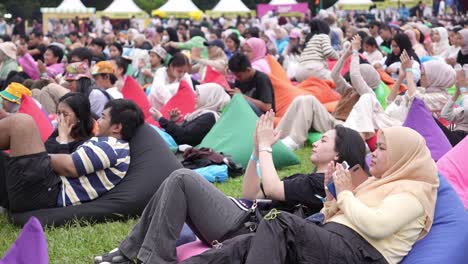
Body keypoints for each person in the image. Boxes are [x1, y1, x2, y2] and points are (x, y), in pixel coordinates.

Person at [94, 112, 369, 264]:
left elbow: (272, 190)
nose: (317, 143)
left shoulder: (321, 185)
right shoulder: (306, 178)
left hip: (247, 229)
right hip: (244, 216)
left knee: (182, 179)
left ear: (338, 154)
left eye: (323, 140)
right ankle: (129, 251)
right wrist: (255, 151)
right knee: (175, 182)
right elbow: (253, 194)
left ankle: (148, 257)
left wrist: (265, 146)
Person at [179, 126, 439, 264]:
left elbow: (377, 226)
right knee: (246, 243)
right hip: (335, 241)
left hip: (359, 253)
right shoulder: (377, 184)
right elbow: (336, 215)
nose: (376, 153)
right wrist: (331, 196)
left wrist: (346, 194)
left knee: (279, 221)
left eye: (382, 149)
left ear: (402, 157)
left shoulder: (412, 193)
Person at [0, 99, 144, 212]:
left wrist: (31, 152)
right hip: (43, 188)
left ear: (117, 127)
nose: (98, 121)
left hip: (48, 193)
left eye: (102, 117)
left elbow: (69, 167)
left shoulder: (112, 147)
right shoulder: (105, 144)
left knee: (22, 123)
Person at [149, 83, 230, 146]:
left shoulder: (210, 117)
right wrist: (172, 121)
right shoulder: (201, 114)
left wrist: (161, 119)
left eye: (198, 95)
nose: (195, 97)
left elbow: (184, 137)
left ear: (209, 98)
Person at [440, 69, 468, 146]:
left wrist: (463, 90)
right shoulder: (464, 100)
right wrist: (456, 93)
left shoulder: (465, 98)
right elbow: (445, 115)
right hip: (458, 136)